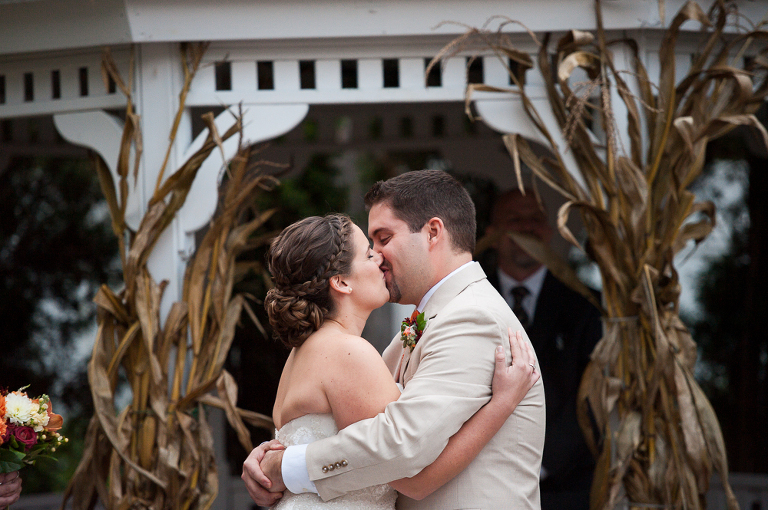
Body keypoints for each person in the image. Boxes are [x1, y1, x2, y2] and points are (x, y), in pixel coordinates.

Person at [243, 170, 546, 509]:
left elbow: (400, 446)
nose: (379, 255)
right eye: (370, 248)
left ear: (432, 232)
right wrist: (279, 460)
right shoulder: (373, 339)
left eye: (383, 239)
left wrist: (288, 465)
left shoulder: (472, 318)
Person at [481, 188, 602, 510]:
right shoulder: (469, 300)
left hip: (566, 488)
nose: (526, 228)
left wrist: (539, 466)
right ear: (492, 235)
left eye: (535, 219)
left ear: (549, 231)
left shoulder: (587, 305)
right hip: (481, 482)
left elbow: (594, 398)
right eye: (515, 219)